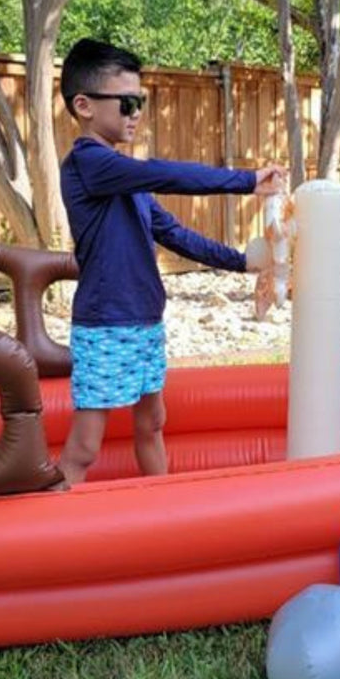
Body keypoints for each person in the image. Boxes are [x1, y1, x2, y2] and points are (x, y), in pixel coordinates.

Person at [57, 38, 285, 484]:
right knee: (85, 446)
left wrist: (241, 262)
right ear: (84, 106)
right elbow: (165, 172)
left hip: (145, 320)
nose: (135, 113)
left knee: (152, 423)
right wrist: (246, 180)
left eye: (139, 102)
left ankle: (163, 506)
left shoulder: (124, 179)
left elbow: (175, 234)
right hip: (106, 325)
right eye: (125, 103)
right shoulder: (89, 163)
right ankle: (45, 535)